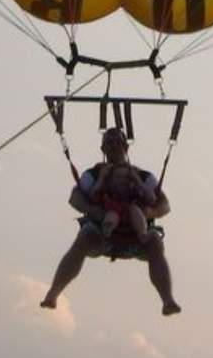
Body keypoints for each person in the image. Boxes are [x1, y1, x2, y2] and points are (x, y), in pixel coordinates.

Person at [40, 127, 182, 316]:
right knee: (85, 235)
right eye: (109, 143)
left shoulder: (141, 176)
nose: (114, 146)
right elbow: (75, 197)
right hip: (102, 233)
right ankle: (53, 294)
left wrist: (149, 213)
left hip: (135, 233)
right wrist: (93, 210)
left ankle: (168, 300)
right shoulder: (95, 174)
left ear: (126, 147)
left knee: (155, 241)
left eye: (117, 142)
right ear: (103, 149)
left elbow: (163, 204)